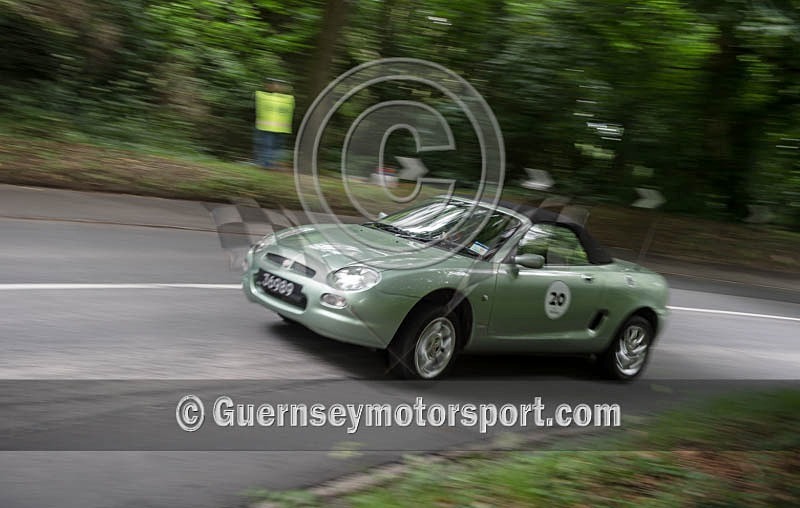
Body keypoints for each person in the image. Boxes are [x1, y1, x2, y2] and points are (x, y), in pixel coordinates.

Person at [254, 80, 294, 168]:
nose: (277, 86)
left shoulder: (289, 99)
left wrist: (277, 89)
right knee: (268, 146)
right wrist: (270, 88)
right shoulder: (262, 96)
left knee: (274, 148)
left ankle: (269, 164)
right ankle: (265, 164)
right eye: (274, 85)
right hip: (268, 128)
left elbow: (288, 91)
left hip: (279, 129)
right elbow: (258, 92)